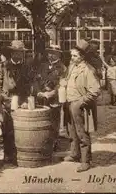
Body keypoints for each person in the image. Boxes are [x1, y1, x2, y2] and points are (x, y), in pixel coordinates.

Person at [0, 40, 35, 166]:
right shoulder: (4, 66)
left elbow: (30, 85)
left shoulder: (27, 67)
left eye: (20, 53)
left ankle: (20, 155)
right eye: (15, 52)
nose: (18, 55)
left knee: (20, 129)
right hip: (7, 102)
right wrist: (3, 97)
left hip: (21, 102)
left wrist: (26, 100)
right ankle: (8, 155)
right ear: (11, 53)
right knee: (7, 129)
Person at [62, 40, 100, 172]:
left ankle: (86, 161)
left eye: (75, 56)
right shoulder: (72, 66)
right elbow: (68, 79)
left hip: (79, 105)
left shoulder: (88, 70)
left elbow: (94, 91)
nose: (72, 58)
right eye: (71, 55)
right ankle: (74, 154)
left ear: (82, 57)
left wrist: (80, 102)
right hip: (69, 102)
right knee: (71, 130)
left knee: (82, 133)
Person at [35, 45, 67, 149]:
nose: (50, 55)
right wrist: (39, 92)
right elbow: (36, 80)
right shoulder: (42, 66)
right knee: (42, 120)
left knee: (54, 120)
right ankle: (42, 141)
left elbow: (62, 84)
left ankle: (54, 142)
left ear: (58, 54)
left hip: (54, 99)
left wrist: (53, 92)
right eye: (49, 52)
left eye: (53, 53)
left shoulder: (62, 68)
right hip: (41, 98)